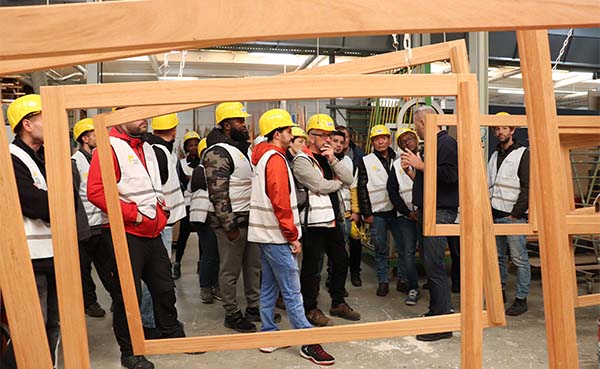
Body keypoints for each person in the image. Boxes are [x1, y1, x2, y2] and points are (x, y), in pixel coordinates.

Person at [87, 115, 186, 369]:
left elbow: (155, 188)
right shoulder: (108, 147)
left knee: (164, 288)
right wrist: (136, 216)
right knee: (128, 296)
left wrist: (161, 213)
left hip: (152, 231)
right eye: (138, 115)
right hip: (125, 233)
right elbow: (96, 192)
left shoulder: (148, 147)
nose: (146, 120)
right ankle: (130, 351)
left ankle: (170, 334)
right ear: (120, 117)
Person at [248, 109, 335, 365]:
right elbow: (280, 201)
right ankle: (308, 342)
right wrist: (292, 234)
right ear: (277, 134)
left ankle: (268, 334)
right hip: (277, 235)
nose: (292, 134)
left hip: (265, 234)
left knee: (269, 286)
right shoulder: (274, 159)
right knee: (292, 290)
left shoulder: (263, 156)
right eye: (288, 130)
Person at [2, 94, 61, 369]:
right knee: (30, 329)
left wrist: (52, 199)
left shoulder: (48, 158)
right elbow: (34, 203)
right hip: (30, 258)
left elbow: (69, 201)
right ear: (27, 124)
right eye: (44, 118)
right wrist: (53, 200)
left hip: (54, 255)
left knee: (53, 326)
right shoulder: (11, 159)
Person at [204, 102, 273, 333]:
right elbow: (217, 192)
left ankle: (253, 307)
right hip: (231, 223)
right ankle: (231, 313)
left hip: (248, 220)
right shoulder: (218, 151)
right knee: (230, 270)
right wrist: (229, 225)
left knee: (253, 266)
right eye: (239, 121)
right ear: (226, 125)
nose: (244, 125)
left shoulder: (241, 148)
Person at [292, 113, 360, 327]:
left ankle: (338, 302)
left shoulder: (330, 158)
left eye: (330, 136)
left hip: (332, 220)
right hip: (313, 223)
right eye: (324, 136)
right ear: (311, 137)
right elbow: (320, 186)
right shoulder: (301, 160)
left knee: (341, 261)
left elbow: (350, 179)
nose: (328, 140)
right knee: (312, 268)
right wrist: (337, 183)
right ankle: (310, 308)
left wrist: (332, 159)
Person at [401, 105, 458, 342]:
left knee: (434, 266)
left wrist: (422, 165)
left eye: (416, 125)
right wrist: (415, 173)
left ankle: (442, 322)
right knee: (430, 263)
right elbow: (433, 180)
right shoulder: (433, 145)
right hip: (430, 209)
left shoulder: (446, 143)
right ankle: (437, 311)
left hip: (440, 211)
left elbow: (451, 175)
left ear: (424, 123)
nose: (416, 130)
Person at [487, 112, 530, 316]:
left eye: (504, 128)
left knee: (519, 259)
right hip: (495, 214)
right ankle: (500, 290)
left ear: (512, 130)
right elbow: (489, 185)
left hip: (514, 217)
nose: (500, 131)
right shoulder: (494, 155)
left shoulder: (523, 153)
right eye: (497, 128)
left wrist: (515, 214)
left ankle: (521, 298)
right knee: (498, 258)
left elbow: (527, 187)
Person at [71, 118, 114, 318]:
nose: (100, 138)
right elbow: (74, 198)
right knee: (83, 269)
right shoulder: (75, 163)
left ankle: (118, 298)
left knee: (108, 266)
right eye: (95, 134)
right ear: (85, 138)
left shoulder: (100, 159)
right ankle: (90, 303)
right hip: (85, 227)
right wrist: (80, 228)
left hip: (102, 224)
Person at [356, 124, 406, 297]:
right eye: (377, 139)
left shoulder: (400, 158)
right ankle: (383, 281)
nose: (380, 142)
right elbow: (361, 188)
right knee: (380, 249)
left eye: (383, 138)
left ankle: (402, 279)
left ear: (389, 139)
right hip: (378, 213)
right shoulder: (366, 161)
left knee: (403, 247)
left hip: (399, 212)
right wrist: (366, 213)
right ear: (372, 142)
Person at [387, 128, 420, 306]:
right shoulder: (396, 165)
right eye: (403, 141)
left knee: (430, 253)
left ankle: (434, 284)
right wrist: (408, 212)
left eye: (410, 138)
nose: (408, 142)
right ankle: (413, 287)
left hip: (426, 214)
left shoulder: (428, 157)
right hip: (406, 217)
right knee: (407, 253)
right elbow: (392, 192)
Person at [189, 138, 221, 304]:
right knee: (209, 254)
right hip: (203, 217)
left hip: (211, 215)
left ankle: (214, 285)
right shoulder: (201, 170)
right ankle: (205, 287)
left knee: (214, 253)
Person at [336, 125, 365, 286]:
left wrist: (356, 210)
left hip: (349, 210)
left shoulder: (354, 157)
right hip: (334, 211)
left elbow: (355, 185)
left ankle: (355, 273)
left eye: (344, 138)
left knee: (354, 244)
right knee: (337, 248)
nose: (340, 143)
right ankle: (334, 279)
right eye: (336, 140)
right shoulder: (327, 157)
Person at [173, 130, 202, 279]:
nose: (194, 148)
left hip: (201, 204)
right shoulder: (182, 163)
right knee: (183, 235)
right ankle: (177, 263)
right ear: (186, 147)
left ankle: (201, 265)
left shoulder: (204, 162)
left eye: (196, 144)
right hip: (187, 204)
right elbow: (180, 183)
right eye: (190, 145)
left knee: (202, 238)